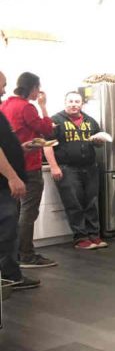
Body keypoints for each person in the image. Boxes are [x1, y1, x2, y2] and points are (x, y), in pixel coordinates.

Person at [0, 72, 57, 268]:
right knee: (28, 212)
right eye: (37, 88)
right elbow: (47, 129)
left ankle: (13, 258)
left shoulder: (6, 105)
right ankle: (26, 255)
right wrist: (43, 106)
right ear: (33, 88)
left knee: (12, 215)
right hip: (29, 166)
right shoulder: (27, 107)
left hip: (12, 168)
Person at [44, 92, 107, 250]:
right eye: (70, 101)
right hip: (67, 168)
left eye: (77, 101)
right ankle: (80, 238)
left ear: (82, 104)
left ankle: (94, 235)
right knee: (74, 202)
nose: (73, 104)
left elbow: (98, 143)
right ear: (65, 103)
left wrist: (99, 142)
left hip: (90, 167)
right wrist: (54, 166)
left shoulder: (90, 121)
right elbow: (47, 144)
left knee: (92, 201)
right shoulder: (55, 121)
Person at [0, 71, 40, 290]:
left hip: (5, 181)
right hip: (4, 183)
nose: (5, 90)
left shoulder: (3, 108)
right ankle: (10, 276)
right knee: (7, 232)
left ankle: (10, 275)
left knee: (8, 230)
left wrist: (20, 148)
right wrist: (13, 177)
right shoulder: (25, 107)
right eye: (3, 85)